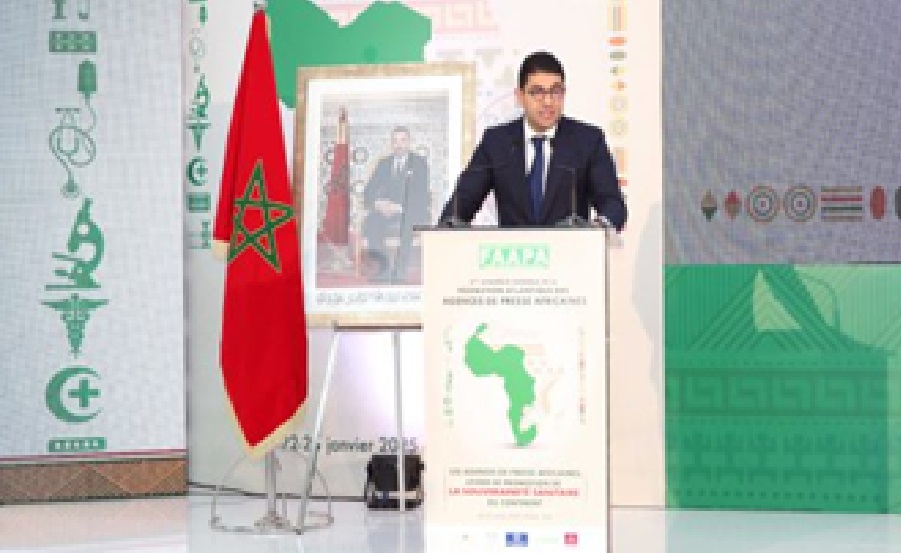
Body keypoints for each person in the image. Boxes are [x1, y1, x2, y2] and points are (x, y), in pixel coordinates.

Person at [440, 51, 627, 230]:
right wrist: (447, 226)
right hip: (514, 252)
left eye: (556, 92)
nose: (548, 102)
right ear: (520, 96)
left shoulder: (587, 140)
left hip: (570, 250)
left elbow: (613, 205)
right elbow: (463, 201)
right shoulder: (497, 142)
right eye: (537, 92)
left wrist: (598, 227)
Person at [362, 126, 431, 282]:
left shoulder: (419, 163)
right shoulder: (384, 164)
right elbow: (369, 190)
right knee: (372, 221)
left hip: (411, 209)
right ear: (391, 143)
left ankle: (400, 272)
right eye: (395, 141)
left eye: (402, 140)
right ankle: (383, 270)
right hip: (387, 210)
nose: (399, 145)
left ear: (409, 142)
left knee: (408, 223)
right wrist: (379, 204)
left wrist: (399, 208)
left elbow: (421, 194)